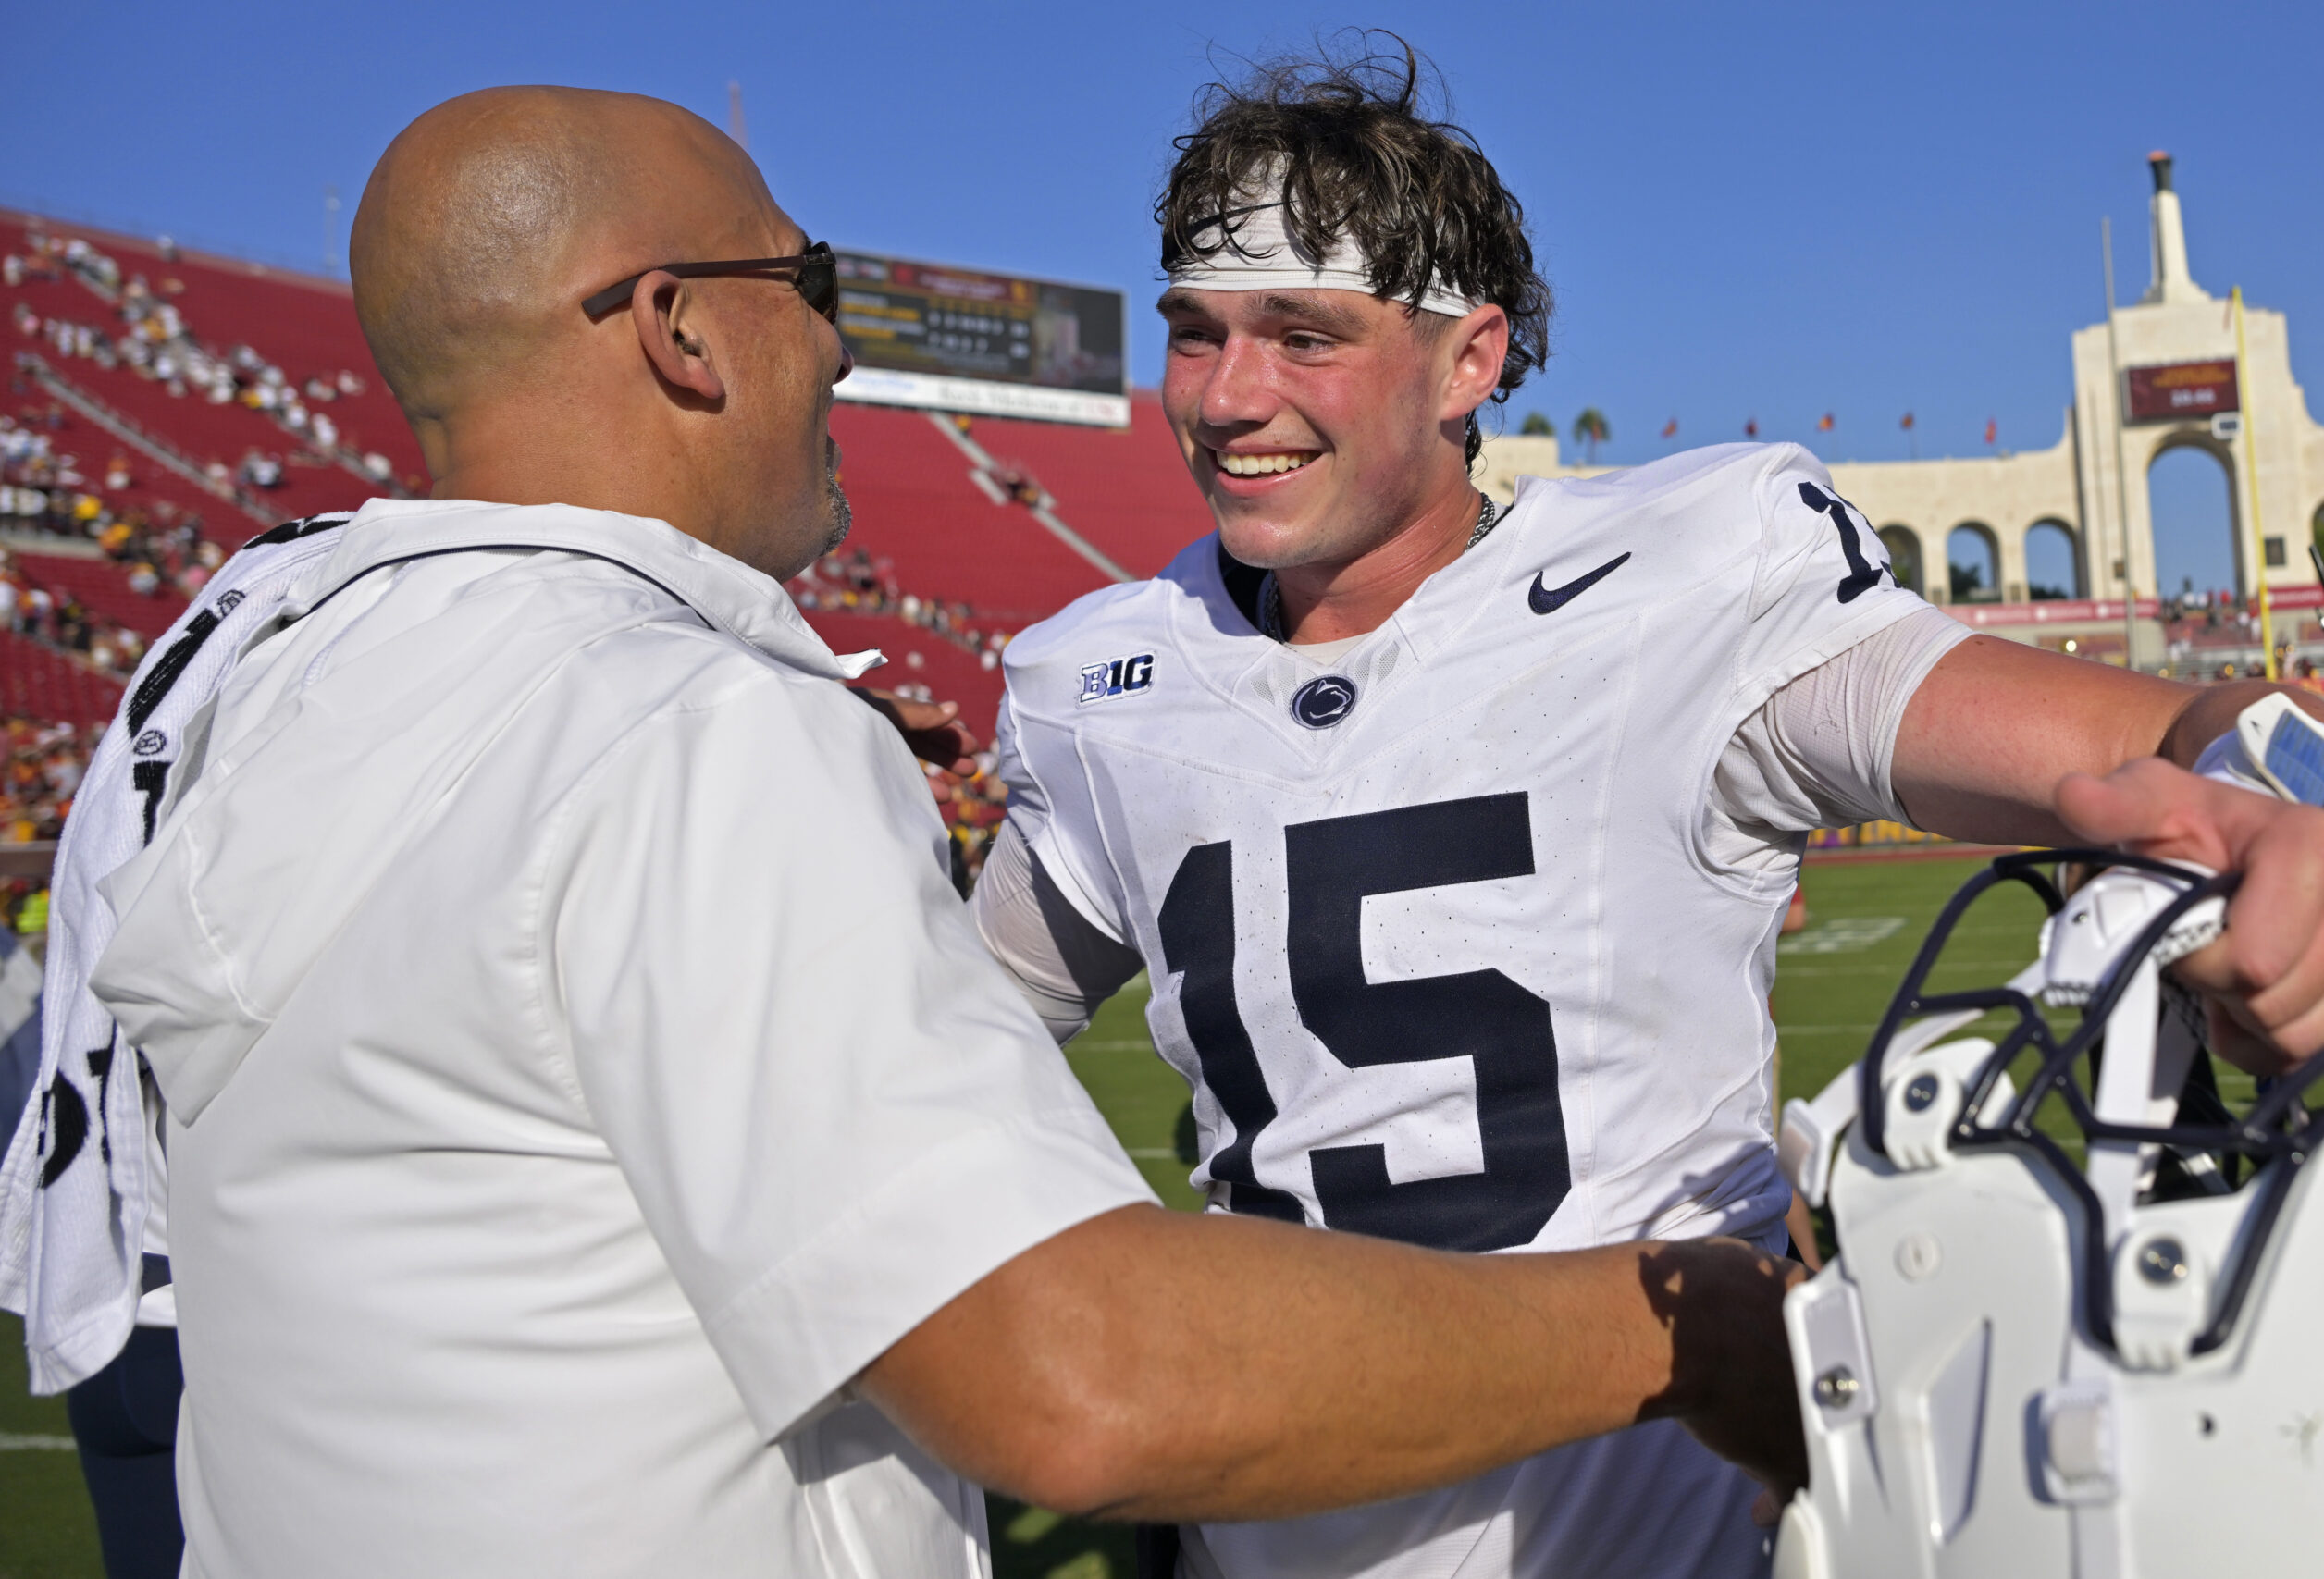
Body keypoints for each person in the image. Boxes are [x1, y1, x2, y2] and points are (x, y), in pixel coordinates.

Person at [75, 87, 1801, 1579]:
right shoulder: (686, 728)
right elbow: (1085, 1380)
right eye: (807, 282)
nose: (838, 338)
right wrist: (1685, 1325)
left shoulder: (249, 691)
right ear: (679, 327)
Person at [969, 43, 2324, 1579]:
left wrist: (2296, 813)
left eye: (1305, 336)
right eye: (1196, 334)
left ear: (1469, 360)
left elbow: (2171, 732)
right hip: (1269, 1516)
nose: (1229, 398)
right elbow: (946, 1038)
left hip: (1669, 1525)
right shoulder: (1101, 681)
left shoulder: (1683, 582)